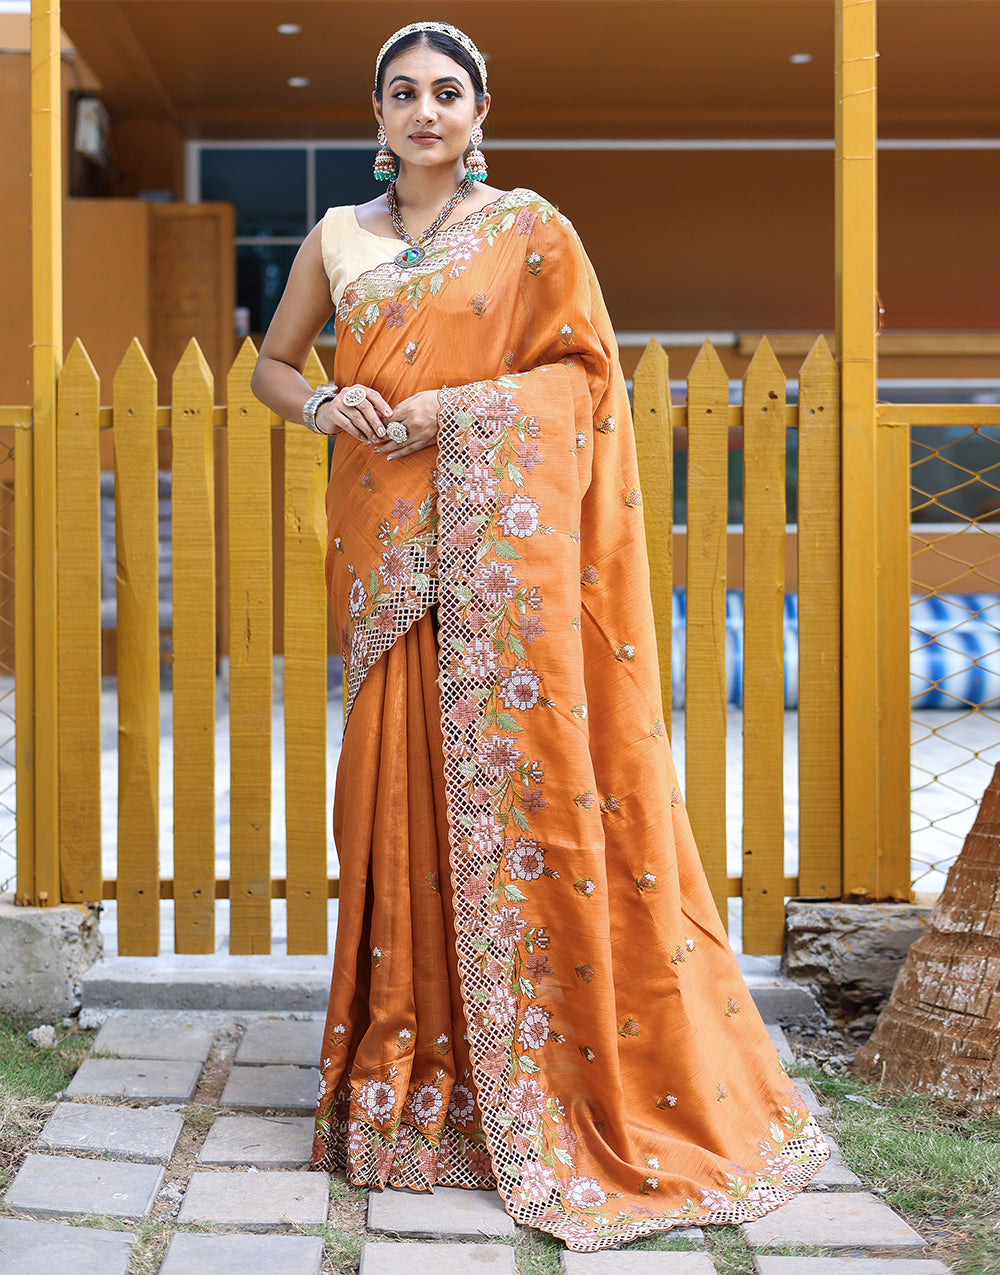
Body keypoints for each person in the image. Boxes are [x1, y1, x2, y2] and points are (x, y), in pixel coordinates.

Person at [251, 20, 829, 1253]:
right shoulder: (335, 239)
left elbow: (580, 381)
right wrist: (325, 407)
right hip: (381, 542)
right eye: (402, 92)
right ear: (375, 115)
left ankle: (529, 1076)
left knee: (511, 796)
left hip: (496, 560)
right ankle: (412, 1085)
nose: (423, 110)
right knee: (386, 800)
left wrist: (447, 411)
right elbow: (272, 364)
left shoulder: (530, 231)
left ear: (479, 112)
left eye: (444, 93)